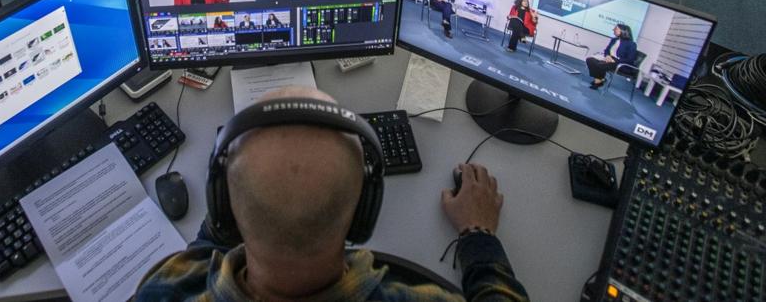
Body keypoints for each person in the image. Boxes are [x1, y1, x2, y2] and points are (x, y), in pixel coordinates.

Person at [134, 86, 529, 301]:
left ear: (222, 207)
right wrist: (478, 235)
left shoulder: (167, 285)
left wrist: (241, 197)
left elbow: (205, 251)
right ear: (364, 211)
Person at [586, 25, 638, 90]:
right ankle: (600, 79)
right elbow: (607, 50)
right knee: (590, 60)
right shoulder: (614, 40)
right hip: (609, 59)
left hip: (620, 63)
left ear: (623, 31)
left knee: (600, 65)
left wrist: (615, 60)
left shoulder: (632, 44)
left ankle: (598, 81)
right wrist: (607, 56)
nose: (613, 29)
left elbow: (630, 59)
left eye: (616, 29)